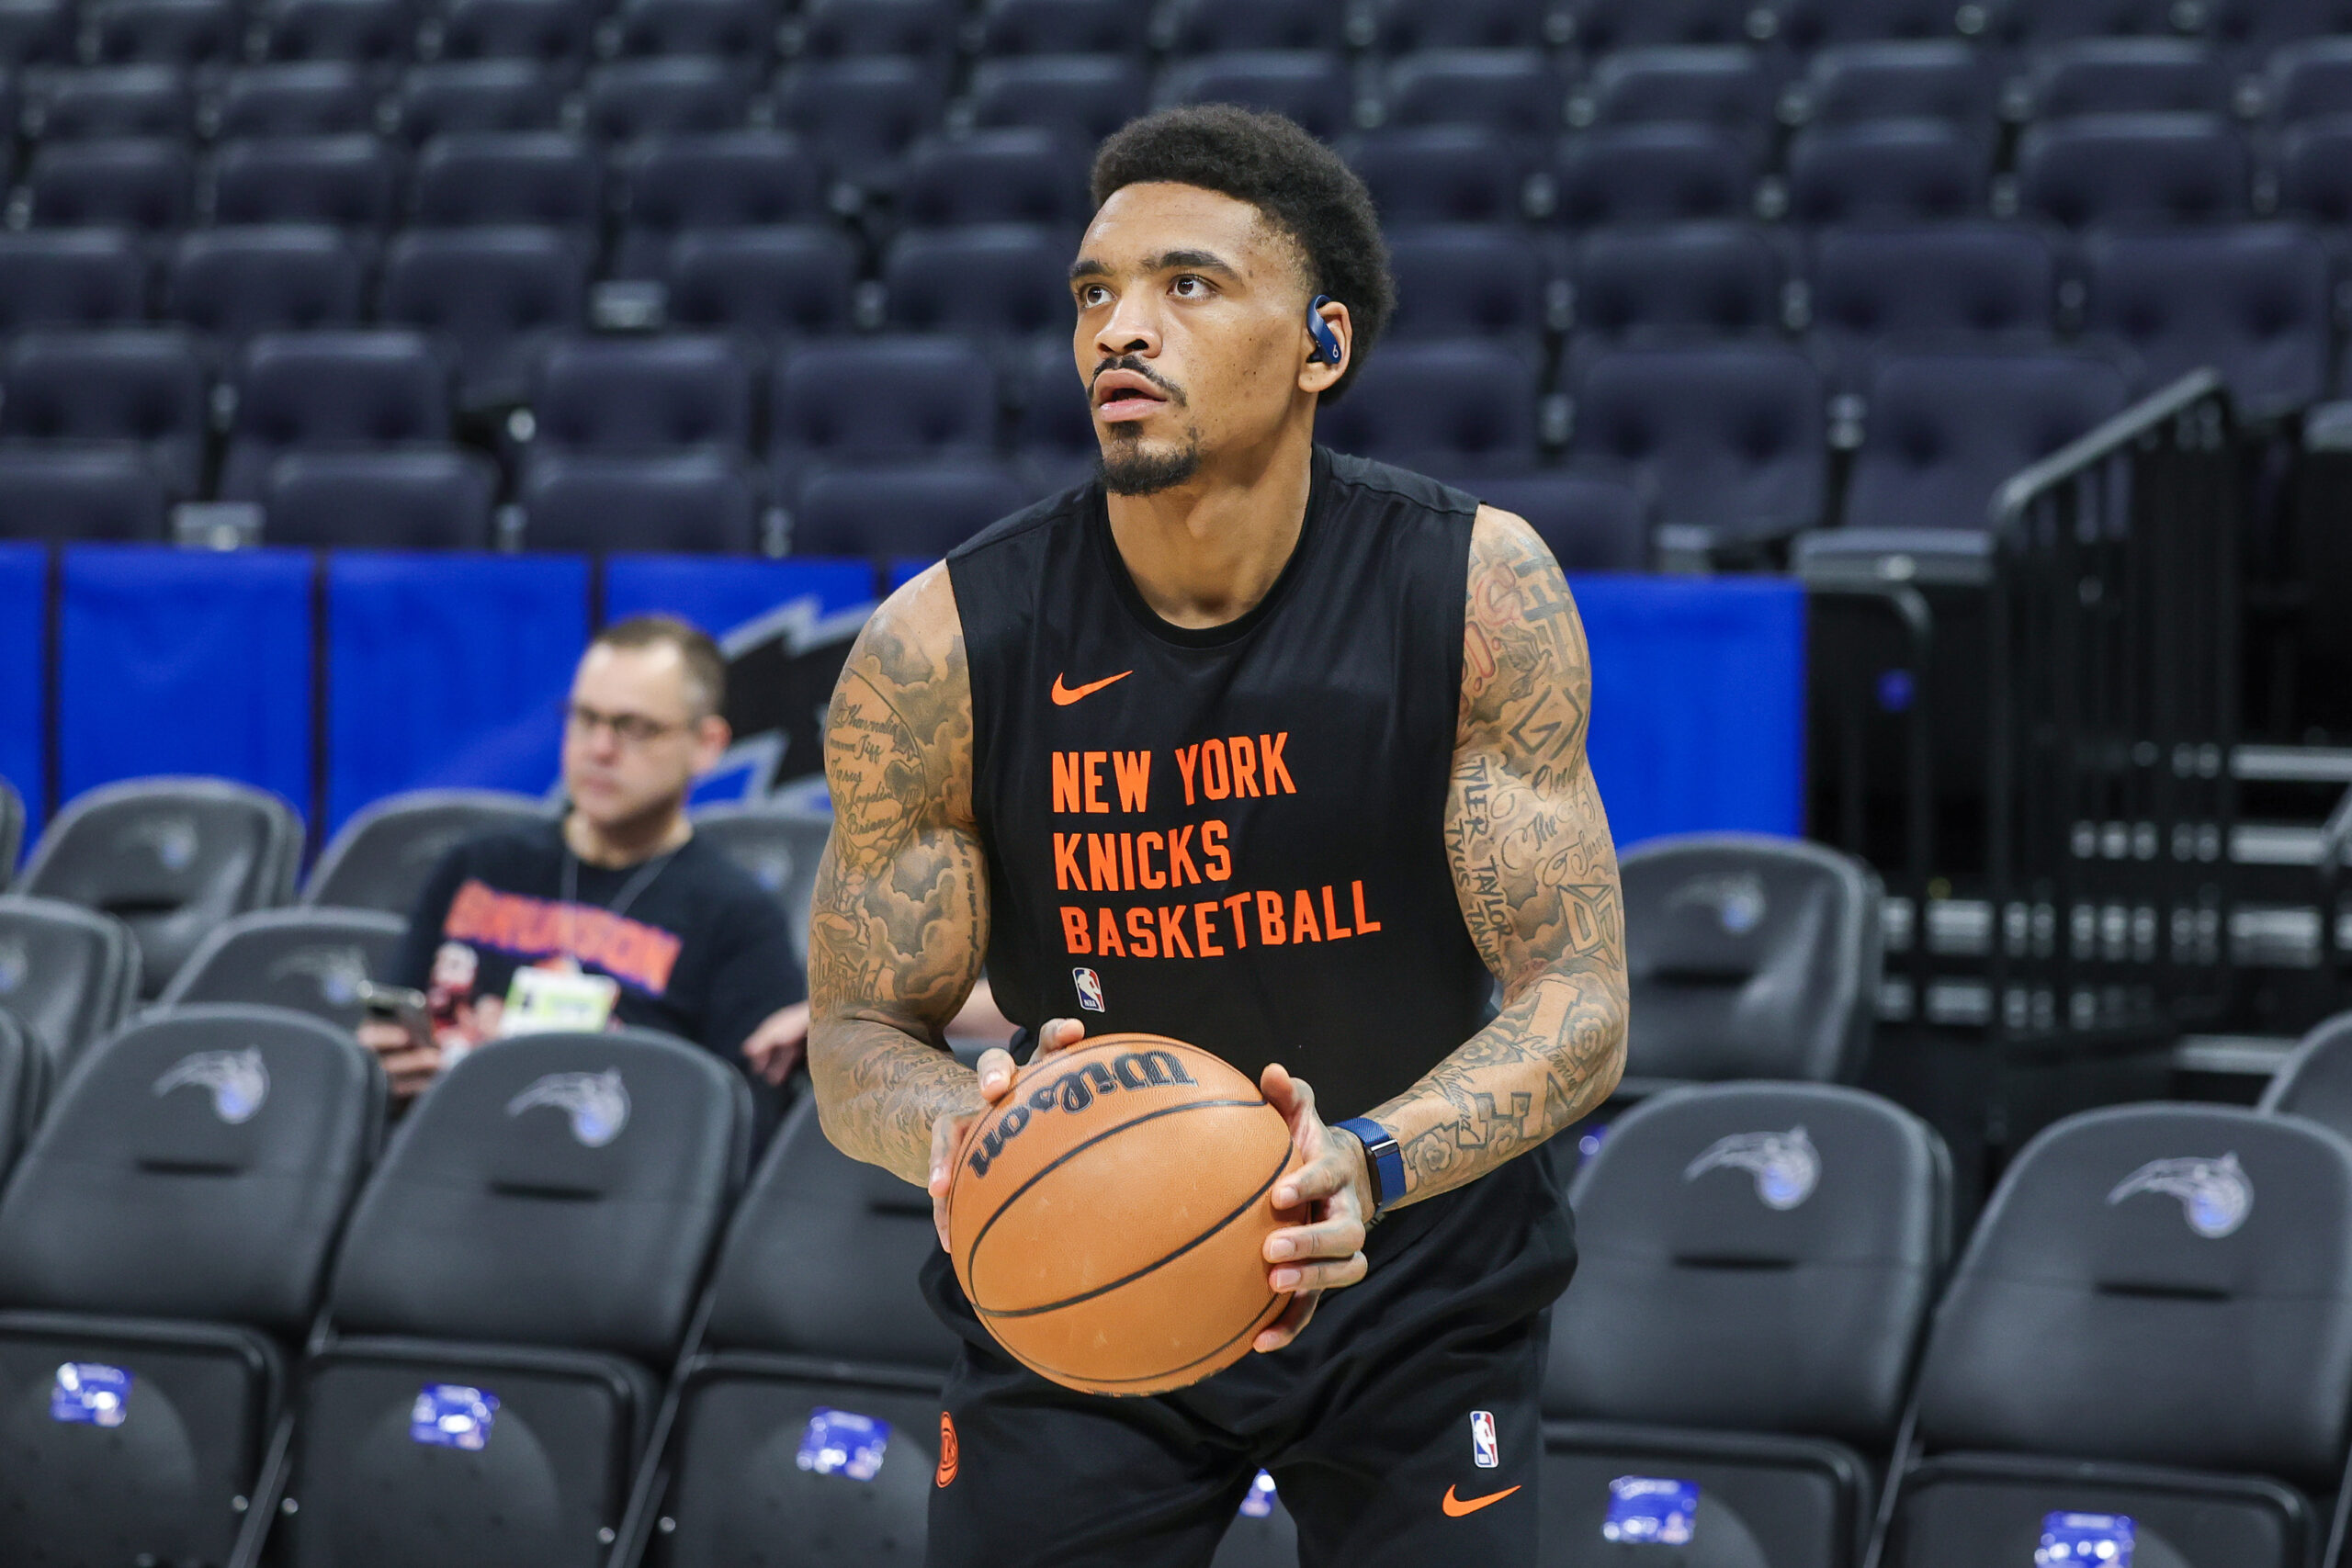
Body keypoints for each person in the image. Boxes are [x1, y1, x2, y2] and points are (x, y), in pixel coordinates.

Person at [805, 105, 1630, 1566]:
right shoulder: (940, 646)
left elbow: (1581, 1003)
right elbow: (857, 1031)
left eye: (1186, 285)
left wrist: (1365, 1161)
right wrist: (966, 1126)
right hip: (1081, 1265)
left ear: (1322, 346)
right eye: (1094, 293)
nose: (1121, 329)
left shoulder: (1473, 589)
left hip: (1415, 1268)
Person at [362, 615, 810, 1116]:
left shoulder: (736, 917)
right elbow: (390, 1032)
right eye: (585, 719)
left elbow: (744, 1126)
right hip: (446, 1156)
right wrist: (380, 1067)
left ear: (707, 745)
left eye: (634, 728)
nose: (599, 749)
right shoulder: (478, 867)